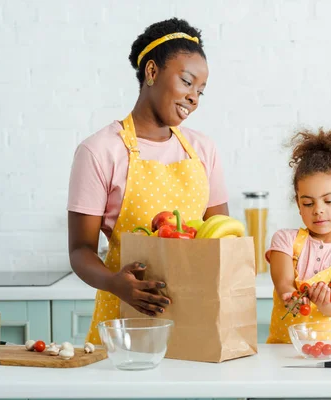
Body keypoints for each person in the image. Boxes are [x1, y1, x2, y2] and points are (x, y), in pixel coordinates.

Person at [67, 18, 229, 344]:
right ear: (152, 72)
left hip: (195, 319)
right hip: (123, 321)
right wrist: (115, 283)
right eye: (186, 82)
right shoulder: (99, 151)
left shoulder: (203, 150)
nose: (194, 97)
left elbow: (220, 236)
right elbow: (80, 250)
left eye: (201, 90)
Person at [265, 128, 331, 344]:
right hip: (282, 355)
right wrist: (291, 296)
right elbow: (284, 284)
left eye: (329, 201)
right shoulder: (284, 241)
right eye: (308, 202)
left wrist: (324, 300)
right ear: (298, 204)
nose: (318, 210)